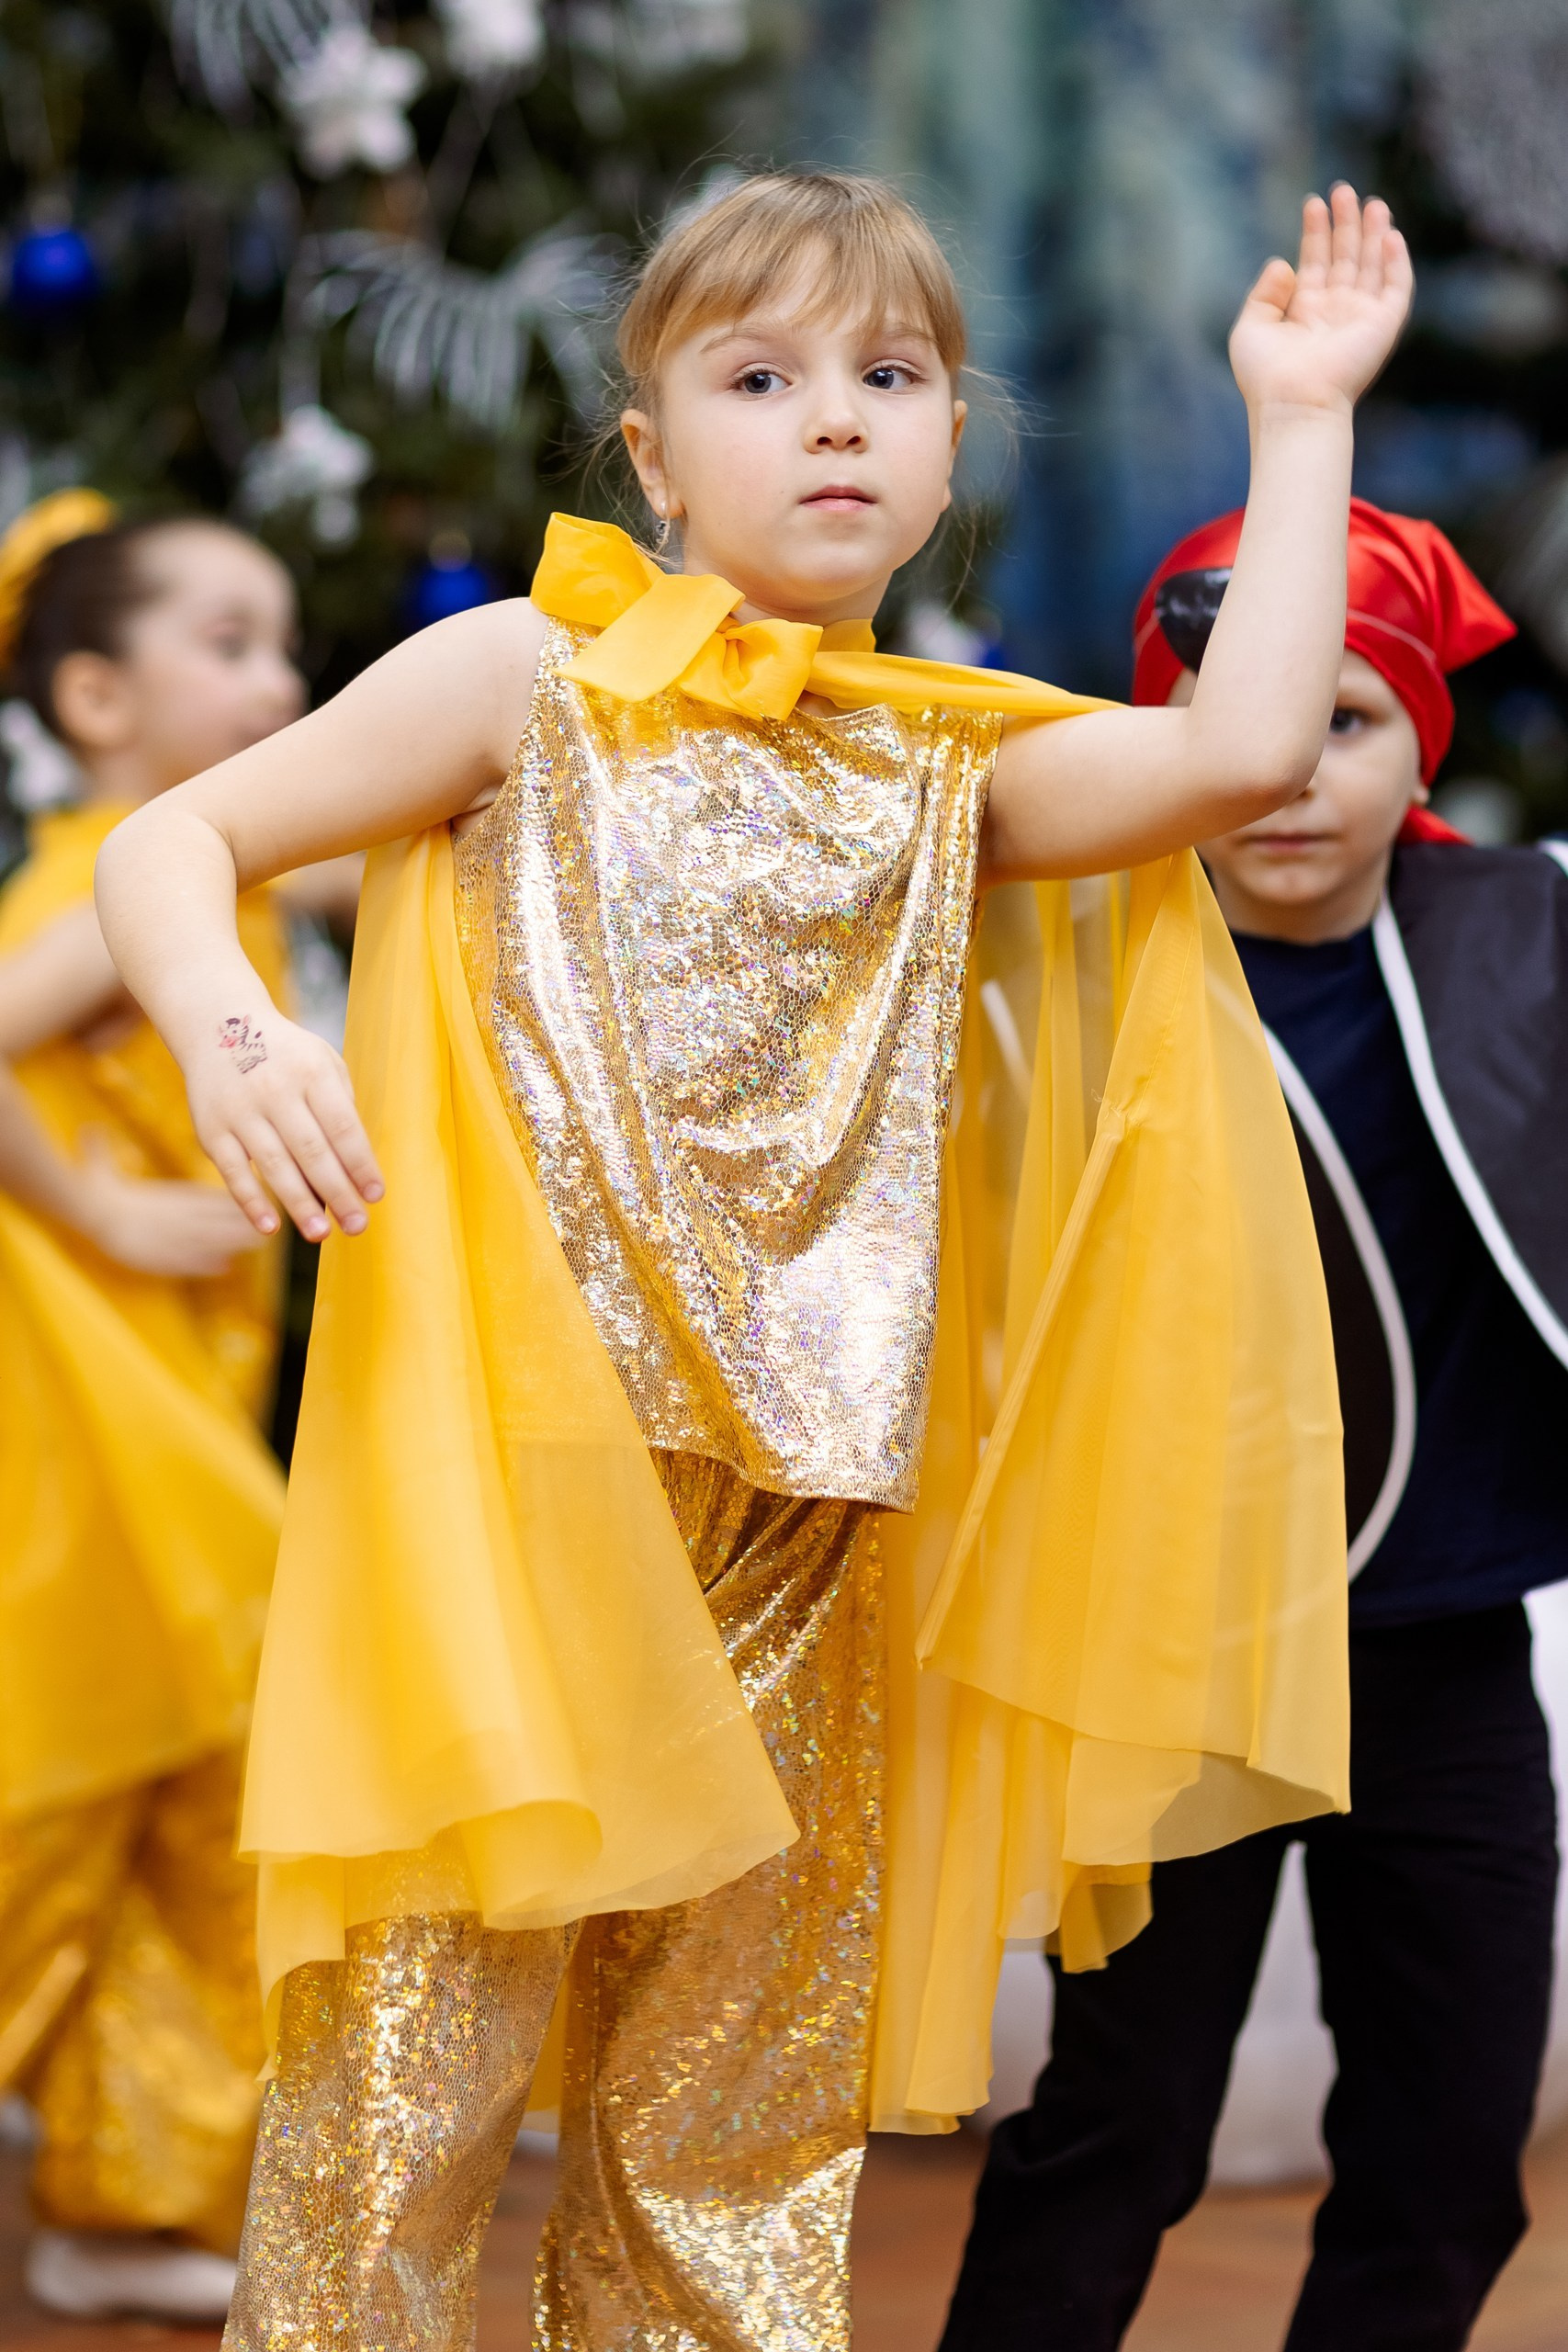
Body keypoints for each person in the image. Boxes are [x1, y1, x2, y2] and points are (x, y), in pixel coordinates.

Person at [95, 172, 1407, 2351]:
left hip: (809, 1531)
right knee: (398, 2106)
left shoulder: (932, 768)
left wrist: (1295, 420)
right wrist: (236, 1027)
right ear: (650, 452)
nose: (834, 424)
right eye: (762, 377)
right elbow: (177, 835)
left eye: (888, 381)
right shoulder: (526, 677)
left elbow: (1238, 753)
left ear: (947, 444)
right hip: (510, 1521)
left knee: (730, 2129)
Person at [940, 498, 1567, 2352]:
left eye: (1345, 725)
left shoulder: (1517, 935)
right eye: (1242, 722)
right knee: (1112, 2129)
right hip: (1175, 1652)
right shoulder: (1063, 969)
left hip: (1440, 1651)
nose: (1287, 775)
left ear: (1418, 744)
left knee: (1447, 2147)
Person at [0, 493, 354, 2323]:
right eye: (224, 642)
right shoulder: (109, 878)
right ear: (92, 695)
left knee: (183, 1789)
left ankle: (125, 2195)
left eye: (282, 642)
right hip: (82, 1385)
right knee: (90, 1775)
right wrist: (113, 1208)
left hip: (168, 1389)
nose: (278, 677)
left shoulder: (235, 872)